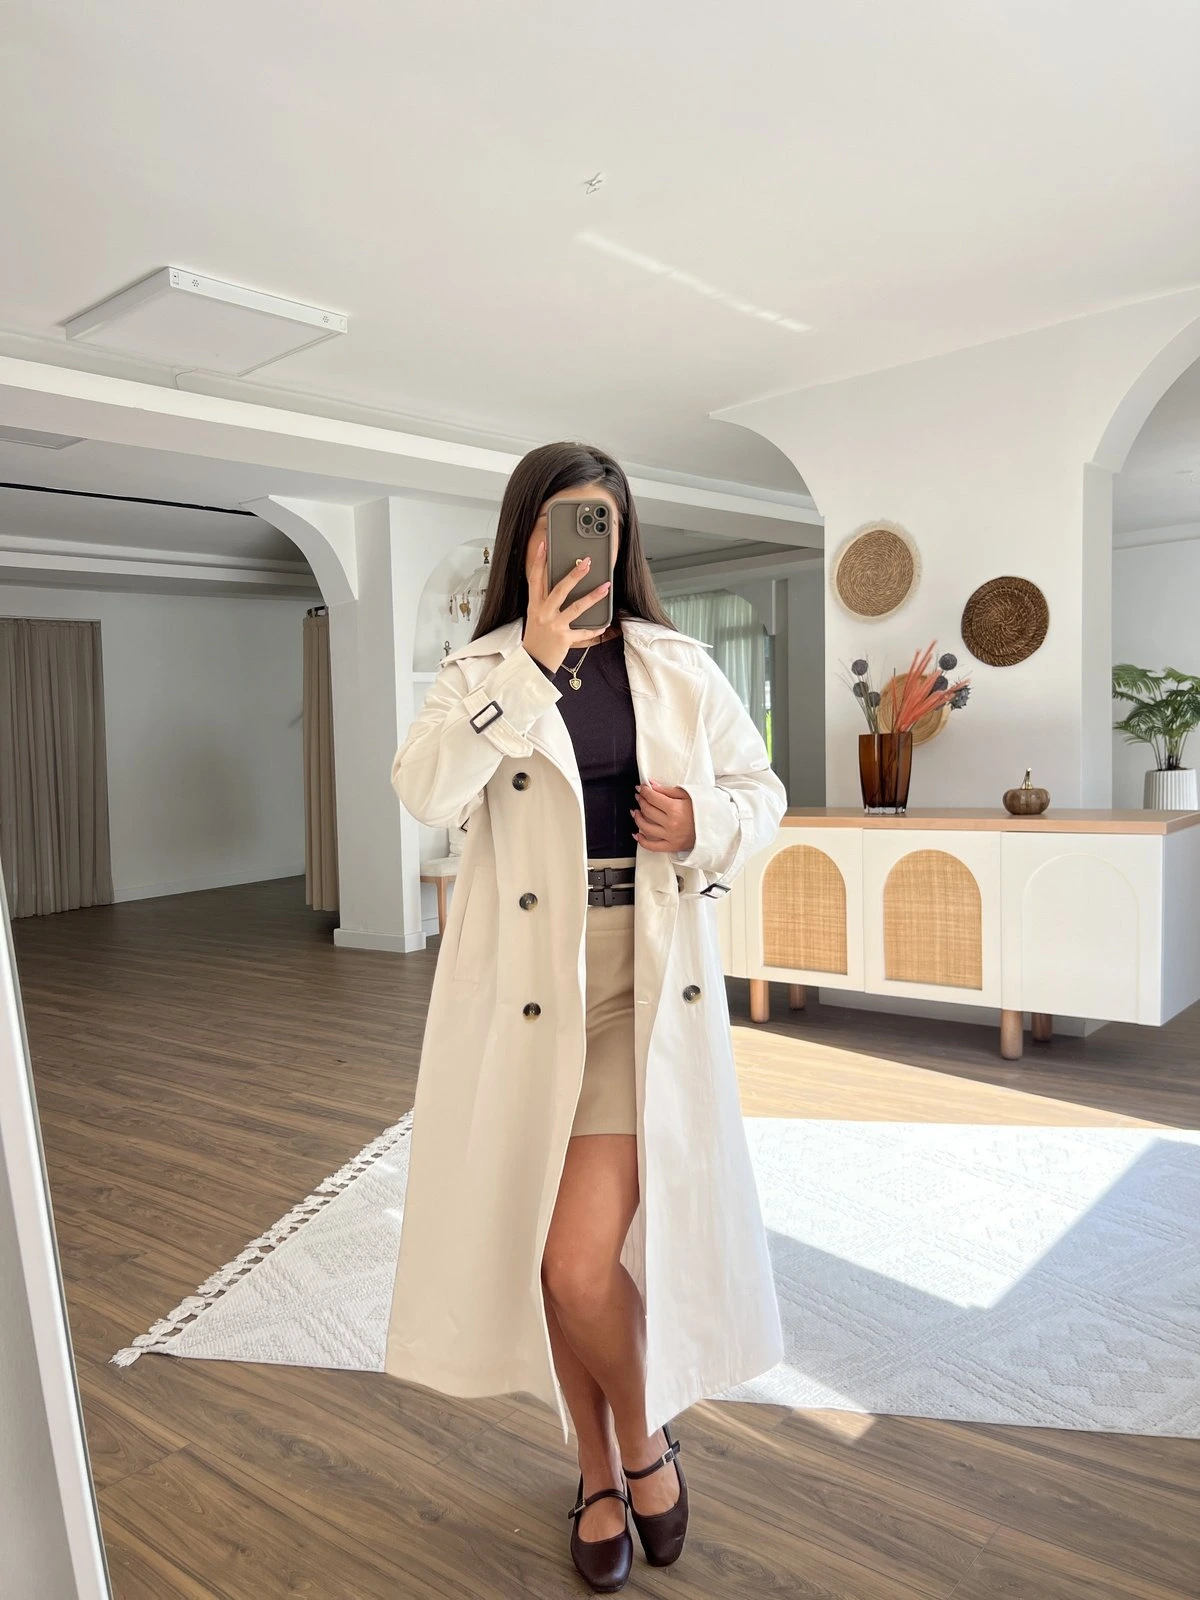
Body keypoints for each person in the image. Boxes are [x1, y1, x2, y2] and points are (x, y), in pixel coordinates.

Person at [386, 441, 787, 1592]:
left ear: (623, 540)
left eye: (599, 524)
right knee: (546, 1247)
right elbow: (425, 791)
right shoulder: (479, 671)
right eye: (559, 523)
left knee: (573, 1263)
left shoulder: (677, 664)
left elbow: (760, 792)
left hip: (639, 982)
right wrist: (531, 663)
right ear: (524, 540)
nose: (579, 546)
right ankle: (608, 1465)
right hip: (524, 988)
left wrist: (701, 823)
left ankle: (635, 1448)